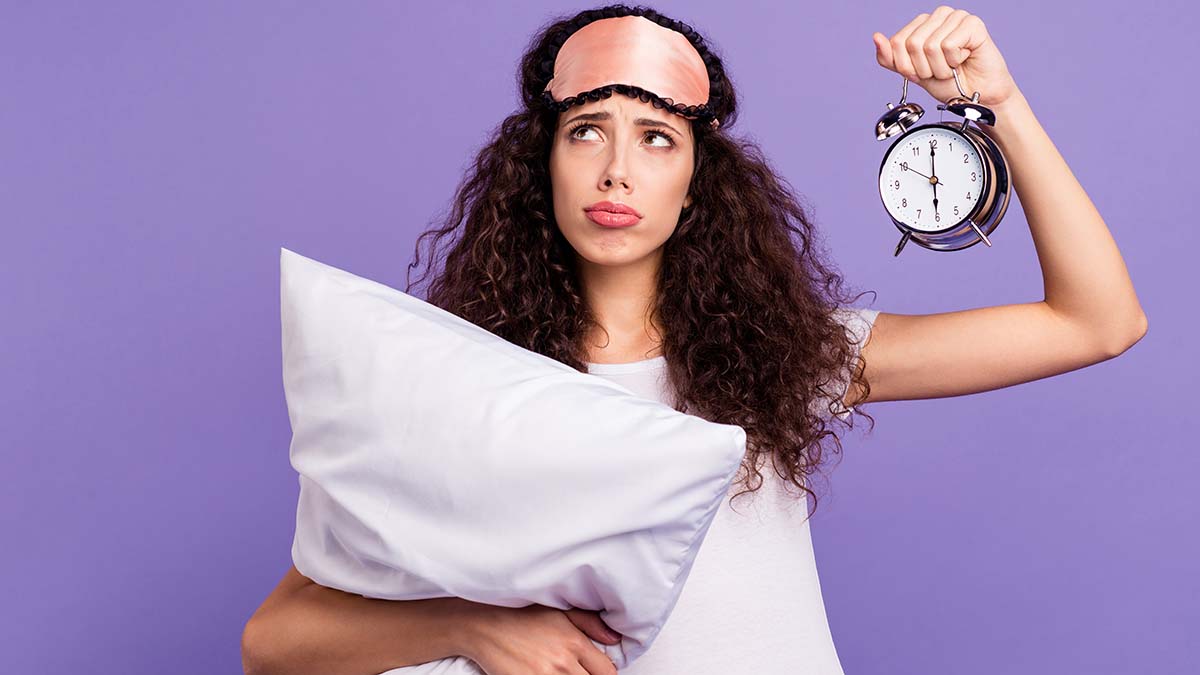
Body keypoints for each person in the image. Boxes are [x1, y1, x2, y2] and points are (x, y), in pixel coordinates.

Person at [241, 4, 1147, 675]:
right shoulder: (458, 380)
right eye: (585, 131)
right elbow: (274, 638)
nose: (617, 170)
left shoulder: (793, 355)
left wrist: (1002, 104)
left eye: (658, 139)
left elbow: (1098, 321)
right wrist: (471, 626)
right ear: (539, 165)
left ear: (698, 183)